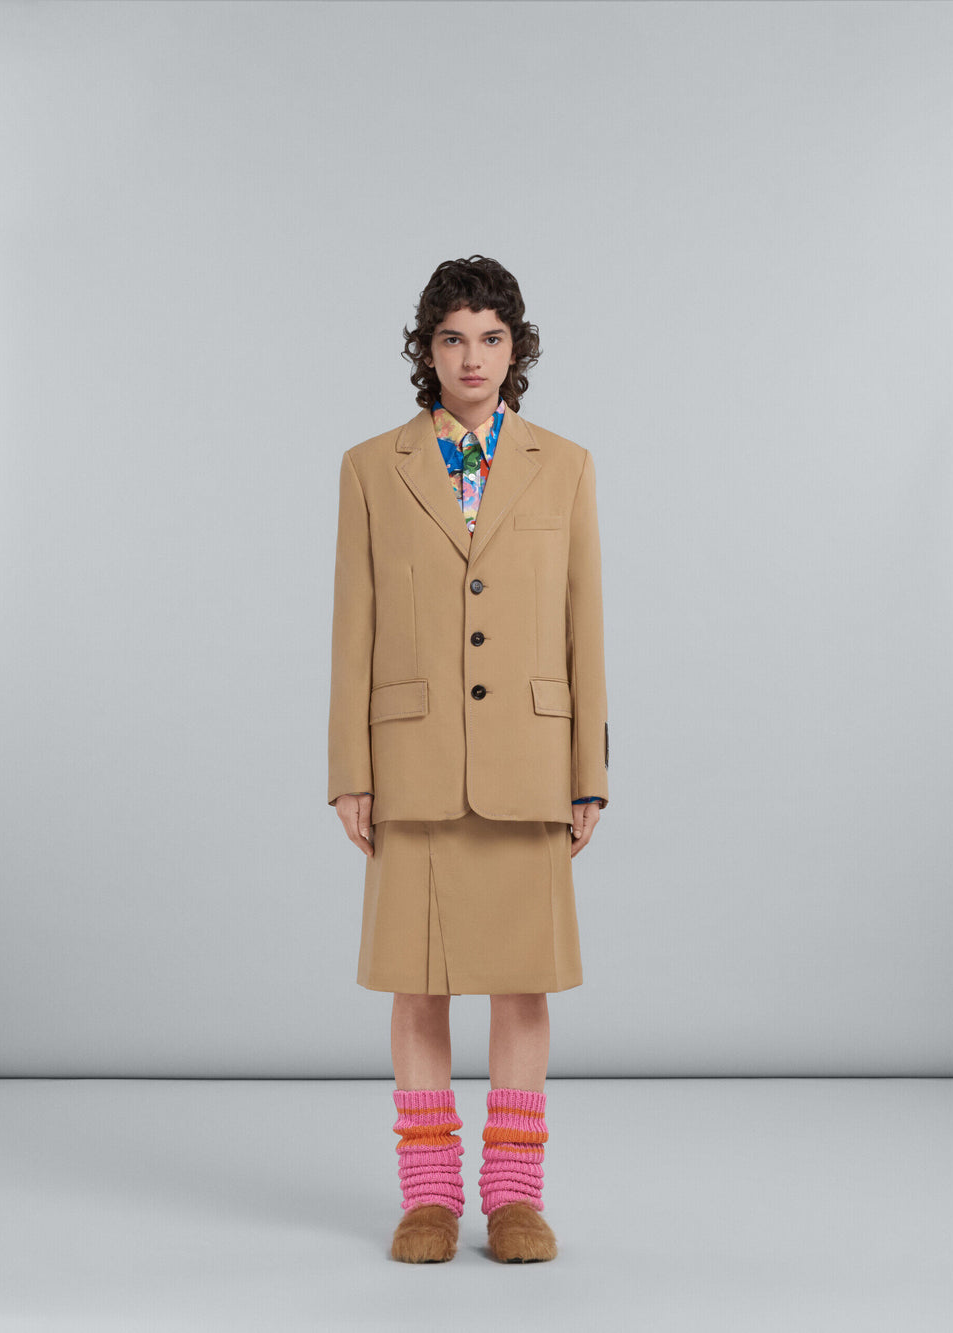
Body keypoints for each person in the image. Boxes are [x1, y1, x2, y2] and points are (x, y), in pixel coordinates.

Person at [327, 255, 609, 1263]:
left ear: (515, 348)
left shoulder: (564, 464)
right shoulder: (372, 467)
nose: (472, 357)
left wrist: (588, 771)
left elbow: (583, 625)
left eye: (490, 338)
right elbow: (353, 626)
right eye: (452, 338)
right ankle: (429, 1198)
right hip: (413, 762)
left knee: (522, 985)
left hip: (529, 762)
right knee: (419, 983)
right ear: (427, 349)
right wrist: (350, 769)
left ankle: (517, 1197)